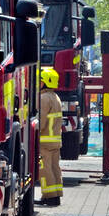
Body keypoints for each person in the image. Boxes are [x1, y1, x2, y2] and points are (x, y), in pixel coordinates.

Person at [39, 66, 63, 206]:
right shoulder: (56, 97)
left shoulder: (43, 98)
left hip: (44, 142)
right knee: (55, 168)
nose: (39, 84)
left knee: (44, 169)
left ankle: (49, 196)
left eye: (41, 81)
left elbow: (41, 122)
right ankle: (57, 195)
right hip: (55, 141)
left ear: (46, 82)